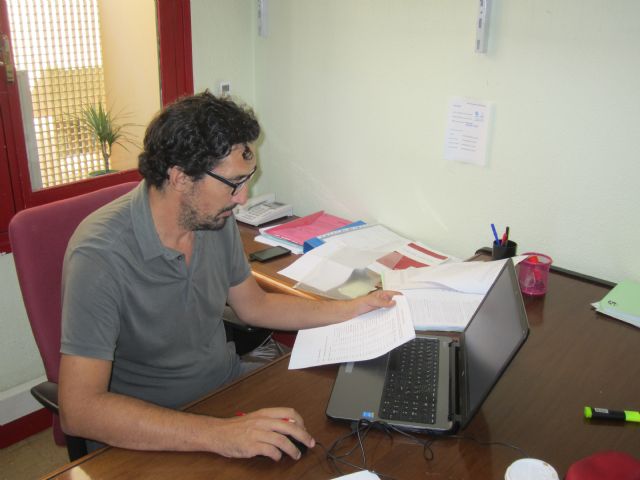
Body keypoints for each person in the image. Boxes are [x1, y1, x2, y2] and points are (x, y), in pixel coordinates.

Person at [59, 91, 398, 461]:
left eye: (247, 179)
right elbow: (80, 410)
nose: (243, 198)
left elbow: (255, 305)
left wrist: (349, 308)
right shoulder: (100, 254)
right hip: (147, 428)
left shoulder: (212, 219)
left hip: (224, 391)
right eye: (234, 183)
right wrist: (220, 435)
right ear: (180, 177)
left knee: (348, 436)